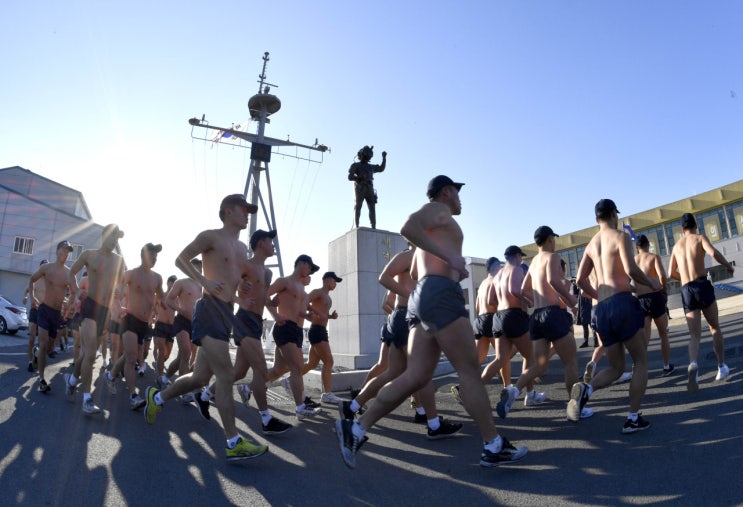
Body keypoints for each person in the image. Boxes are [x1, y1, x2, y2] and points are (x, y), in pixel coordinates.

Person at [336, 175, 527, 469]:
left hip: (422, 298)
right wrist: (449, 257)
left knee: (415, 377)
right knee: (469, 371)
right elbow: (406, 228)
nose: (460, 198)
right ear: (446, 192)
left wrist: (454, 270)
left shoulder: (434, 226)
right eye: (457, 192)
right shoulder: (438, 210)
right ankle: (493, 445)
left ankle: (357, 428)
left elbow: (415, 268)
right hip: (439, 295)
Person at [143, 194, 268, 462]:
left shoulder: (241, 248)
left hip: (226, 313)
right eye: (243, 210)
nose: (247, 214)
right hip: (209, 309)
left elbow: (230, 284)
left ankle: (158, 398)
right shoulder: (210, 236)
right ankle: (233, 442)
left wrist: (240, 293)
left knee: (200, 378)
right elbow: (180, 259)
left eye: (249, 210)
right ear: (228, 211)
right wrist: (204, 282)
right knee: (225, 375)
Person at [338, 246, 463, 440]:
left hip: (409, 316)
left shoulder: (426, 257)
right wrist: (411, 295)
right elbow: (383, 277)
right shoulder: (407, 256)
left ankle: (352, 406)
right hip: (405, 317)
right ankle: (434, 424)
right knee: (422, 373)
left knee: (393, 372)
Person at [573, 199, 660, 433]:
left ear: (596, 219)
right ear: (613, 214)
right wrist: (650, 281)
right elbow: (631, 269)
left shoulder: (590, 245)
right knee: (641, 361)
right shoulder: (620, 236)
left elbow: (580, 281)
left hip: (601, 310)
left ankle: (586, 390)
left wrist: (600, 295)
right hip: (622, 304)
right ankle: (632, 418)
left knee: (616, 367)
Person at [204, 229, 292, 436]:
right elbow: (229, 283)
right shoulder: (245, 265)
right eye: (271, 242)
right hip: (243, 320)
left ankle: (206, 394)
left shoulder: (268, 273)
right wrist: (239, 289)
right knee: (262, 370)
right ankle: (266, 419)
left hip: (257, 322)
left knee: (239, 372)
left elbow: (263, 297)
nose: (273, 245)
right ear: (261, 243)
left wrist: (272, 304)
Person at [496, 231, 583, 420]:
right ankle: (574, 407)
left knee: (539, 366)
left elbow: (522, 290)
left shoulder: (534, 262)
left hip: (537, 317)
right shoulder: (552, 257)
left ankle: (513, 391)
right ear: (550, 240)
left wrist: (532, 301)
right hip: (553, 313)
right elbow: (552, 281)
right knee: (571, 362)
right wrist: (570, 299)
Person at [668, 212, 735, 392]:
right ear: (695, 225)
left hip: (686, 289)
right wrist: (728, 266)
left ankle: (693, 365)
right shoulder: (699, 238)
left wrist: (682, 277)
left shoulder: (676, 246)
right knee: (715, 327)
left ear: (682, 229)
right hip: (701, 284)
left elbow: (670, 273)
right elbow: (713, 252)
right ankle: (721, 367)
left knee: (694, 335)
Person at [65, 224, 126, 415]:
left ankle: (72, 381)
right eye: (113, 237)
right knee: (91, 354)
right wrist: (76, 291)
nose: (115, 241)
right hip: (89, 306)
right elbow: (71, 272)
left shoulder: (119, 261)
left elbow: (124, 281)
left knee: (85, 355)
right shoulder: (89, 255)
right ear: (104, 236)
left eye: (117, 238)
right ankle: (87, 399)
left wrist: (121, 291)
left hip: (105, 312)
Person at [484, 246, 545, 415]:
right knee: (532, 358)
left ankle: (472, 390)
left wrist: (505, 304)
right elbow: (516, 290)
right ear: (517, 256)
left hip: (499, 317)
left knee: (499, 359)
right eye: (520, 257)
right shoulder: (516, 269)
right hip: (514, 315)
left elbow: (491, 300)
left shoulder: (497, 275)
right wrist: (530, 301)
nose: (521, 260)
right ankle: (526, 394)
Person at [264, 255, 323, 420]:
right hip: (285, 328)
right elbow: (264, 294)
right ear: (301, 264)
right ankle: (300, 407)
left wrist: (310, 316)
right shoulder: (285, 282)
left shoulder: (301, 289)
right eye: (309, 267)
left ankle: (250, 388)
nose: (310, 272)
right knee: (298, 367)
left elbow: (299, 311)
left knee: (279, 369)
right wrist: (275, 315)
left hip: (297, 331)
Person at [108, 243, 164, 410]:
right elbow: (115, 291)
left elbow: (162, 295)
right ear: (144, 256)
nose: (155, 259)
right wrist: (118, 308)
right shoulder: (131, 274)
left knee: (127, 355)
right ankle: (133, 396)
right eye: (152, 255)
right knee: (132, 357)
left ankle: (111, 375)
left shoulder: (157, 277)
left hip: (144, 323)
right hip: (129, 319)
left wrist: (167, 305)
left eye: (156, 256)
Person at [452, 256, 503, 402]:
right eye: (500, 267)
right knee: (502, 357)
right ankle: (509, 389)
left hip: (479, 321)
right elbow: (493, 302)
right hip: (492, 318)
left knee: (477, 360)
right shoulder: (496, 280)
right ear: (496, 267)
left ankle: (462, 387)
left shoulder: (482, 284)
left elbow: (477, 307)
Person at [27, 242, 74, 392]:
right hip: (44, 311)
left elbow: (75, 291)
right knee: (43, 343)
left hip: (57, 314)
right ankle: (42, 380)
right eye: (64, 250)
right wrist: (32, 297)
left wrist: (70, 304)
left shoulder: (69, 273)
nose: (66, 254)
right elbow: (31, 279)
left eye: (68, 252)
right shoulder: (46, 268)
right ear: (57, 251)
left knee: (48, 348)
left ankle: (37, 353)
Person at [302, 271, 344, 404]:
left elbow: (323, 314)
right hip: (316, 331)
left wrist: (331, 316)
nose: (335, 284)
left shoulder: (327, 298)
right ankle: (327, 394)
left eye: (336, 282)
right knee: (329, 361)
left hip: (321, 331)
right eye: (333, 280)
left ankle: (291, 378)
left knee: (312, 363)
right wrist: (315, 312)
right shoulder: (318, 292)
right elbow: (304, 301)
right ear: (326, 280)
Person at [634, 234, 673, 375]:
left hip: (641, 299)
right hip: (655, 296)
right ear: (648, 245)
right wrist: (664, 291)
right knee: (663, 334)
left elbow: (626, 281)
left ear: (637, 247)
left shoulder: (633, 261)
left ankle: (641, 368)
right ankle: (666, 366)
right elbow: (662, 275)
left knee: (644, 338)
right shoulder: (653, 257)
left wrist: (636, 289)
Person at [162, 259, 203, 386]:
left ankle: (165, 377)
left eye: (201, 268)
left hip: (195, 324)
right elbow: (169, 300)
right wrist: (180, 309)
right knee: (186, 351)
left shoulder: (201, 286)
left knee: (182, 357)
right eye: (197, 267)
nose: (199, 270)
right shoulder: (181, 283)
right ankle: (184, 389)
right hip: (181, 321)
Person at [348, 145, 387, 229]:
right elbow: (350, 177)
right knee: (358, 206)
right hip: (360, 187)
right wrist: (358, 178)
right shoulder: (356, 165)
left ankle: (373, 227)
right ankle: (356, 225)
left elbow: (381, 168)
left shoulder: (371, 167)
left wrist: (384, 158)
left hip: (369, 188)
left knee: (372, 208)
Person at [23, 259, 48, 372]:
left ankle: (36, 357)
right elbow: (27, 291)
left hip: (45, 312)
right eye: (42, 267)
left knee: (42, 340)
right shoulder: (35, 280)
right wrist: (25, 297)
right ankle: (29, 362)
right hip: (35, 310)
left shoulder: (50, 281)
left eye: (46, 267)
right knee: (32, 337)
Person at [151, 275, 176, 381]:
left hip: (171, 327)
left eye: (175, 283)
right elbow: (152, 306)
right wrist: (156, 315)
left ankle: (159, 363)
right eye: (171, 282)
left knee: (167, 353)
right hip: (160, 324)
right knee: (161, 350)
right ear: (167, 283)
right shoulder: (160, 296)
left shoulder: (177, 298)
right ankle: (160, 376)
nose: (173, 284)